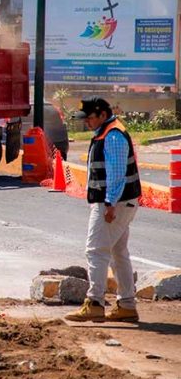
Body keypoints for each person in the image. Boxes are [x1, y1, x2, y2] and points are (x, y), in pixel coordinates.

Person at [65, 97, 142, 323]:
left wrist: (109, 204)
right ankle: (127, 305)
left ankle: (95, 302)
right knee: (118, 254)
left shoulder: (113, 136)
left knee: (96, 251)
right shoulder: (106, 132)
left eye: (89, 118)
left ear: (101, 114)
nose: (86, 122)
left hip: (115, 204)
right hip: (120, 202)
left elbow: (116, 175)